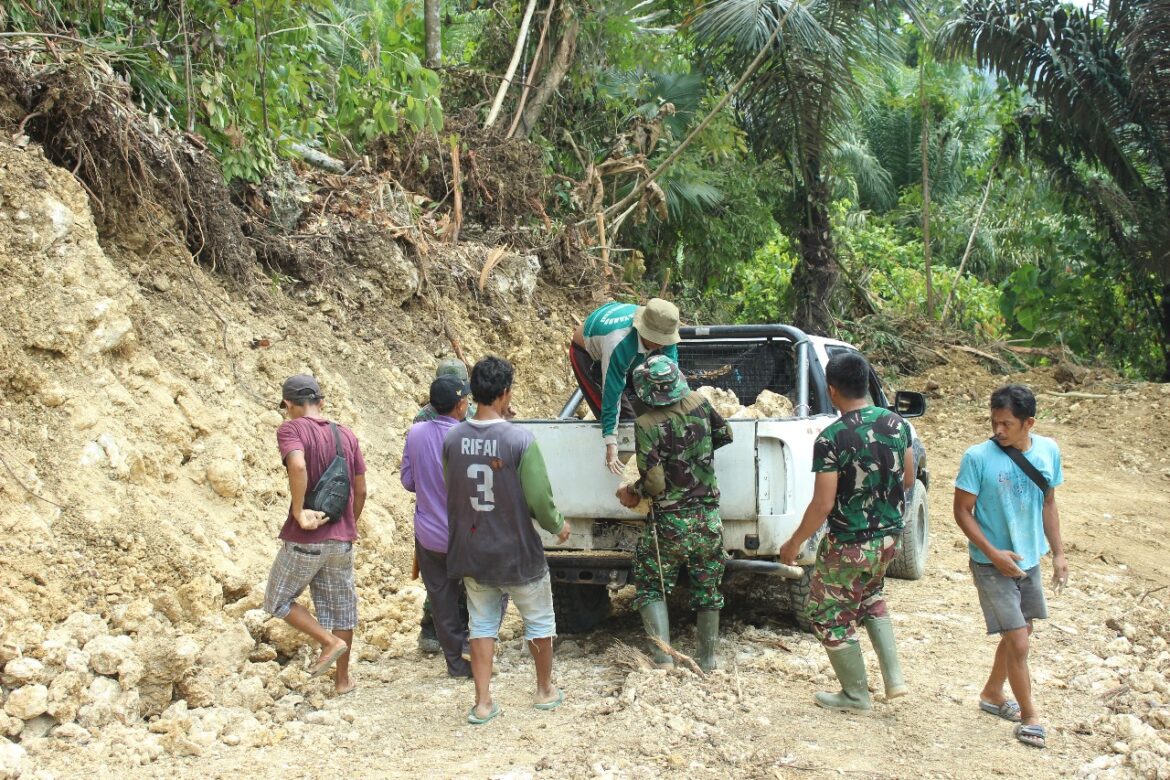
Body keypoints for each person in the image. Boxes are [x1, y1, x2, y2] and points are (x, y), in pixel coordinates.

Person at [779, 351, 913, 712]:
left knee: (826, 614)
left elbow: (822, 504)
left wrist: (794, 543)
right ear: (867, 384)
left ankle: (855, 695)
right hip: (888, 538)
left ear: (832, 390)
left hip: (850, 543)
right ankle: (894, 678)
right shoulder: (897, 424)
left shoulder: (833, 437)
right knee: (870, 595)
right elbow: (909, 477)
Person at [443, 356, 571, 724]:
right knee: (539, 620)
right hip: (516, 551)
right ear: (505, 394)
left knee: (481, 624)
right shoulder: (519, 439)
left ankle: (483, 703)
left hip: (473, 549)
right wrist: (558, 526)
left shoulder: (453, 438)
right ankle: (545, 690)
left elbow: (452, 484)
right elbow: (539, 499)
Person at [953, 384, 1066, 749]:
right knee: (1017, 638)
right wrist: (993, 551)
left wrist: (1059, 555)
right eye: (994, 422)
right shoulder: (977, 457)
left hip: (1029, 559)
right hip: (991, 564)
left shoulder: (1048, 451)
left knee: (1021, 633)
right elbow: (961, 511)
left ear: (1028, 423)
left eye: (1006, 424)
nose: (998, 430)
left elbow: (1049, 503)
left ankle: (992, 693)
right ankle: (1031, 717)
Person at [615, 355, 732, 673]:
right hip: (708, 517)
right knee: (708, 589)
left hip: (670, 522)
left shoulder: (646, 425)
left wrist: (633, 491)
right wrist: (695, 461)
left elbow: (654, 482)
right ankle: (707, 662)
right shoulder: (701, 403)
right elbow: (726, 435)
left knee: (651, 584)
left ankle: (663, 659)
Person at [263, 374, 367, 695]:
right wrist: (349, 524)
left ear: (289, 404)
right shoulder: (346, 435)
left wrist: (298, 511)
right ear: (321, 402)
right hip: (341, 539)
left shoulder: (290, 428)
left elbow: (297, 466)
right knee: (341, 610)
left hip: (306, 539)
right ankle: (342, 681)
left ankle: (327, 640)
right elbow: (361, 489)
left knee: (278, 599)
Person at [402, 375, 475, 678]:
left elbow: (408, 481)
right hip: (468, 536)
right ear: (460, 404)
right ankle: (475, 644)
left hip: (430, 537)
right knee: (492, 590)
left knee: (442, 602)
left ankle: (456, 666)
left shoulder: (416, 432)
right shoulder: (470, 435)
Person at [570, 298, 681, 475]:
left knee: (656, 396)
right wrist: (611, 442)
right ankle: (633, 478)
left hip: (627, 345)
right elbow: (611, 393)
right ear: (645, 332)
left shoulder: (664, 325)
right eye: (658, 341)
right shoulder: (618, 342)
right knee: (625, 420)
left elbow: (670, 374)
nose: (662, 344)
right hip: (588, 354)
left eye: (664, 341)